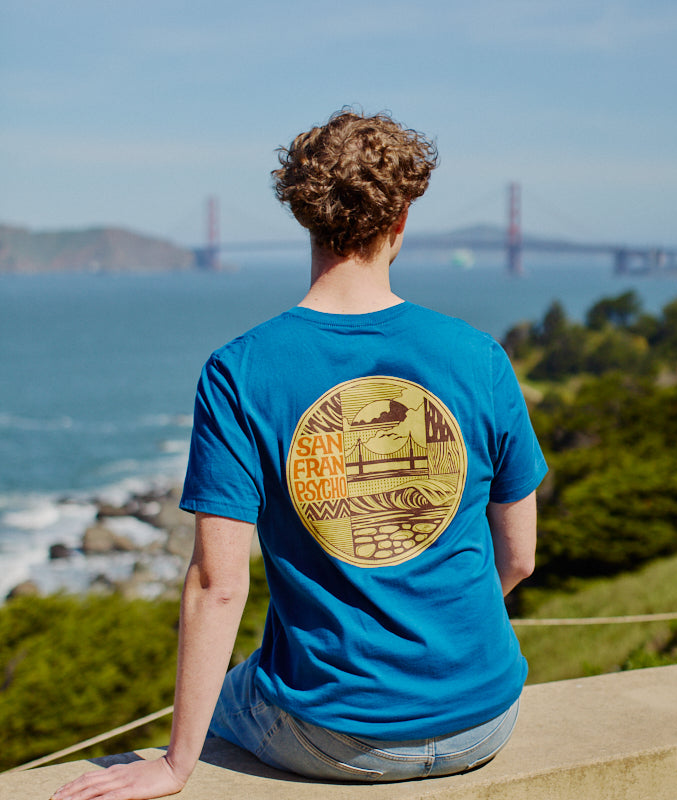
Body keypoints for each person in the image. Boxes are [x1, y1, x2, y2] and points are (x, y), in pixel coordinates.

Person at [53, 108, 547, 800]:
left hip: (337, 741)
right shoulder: (480, 357)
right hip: (487, 719)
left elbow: (218, 585)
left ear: (303, 215)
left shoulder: (240, 371)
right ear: (402, 216)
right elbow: (519, 557)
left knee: (238, 689)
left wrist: (173, 766)